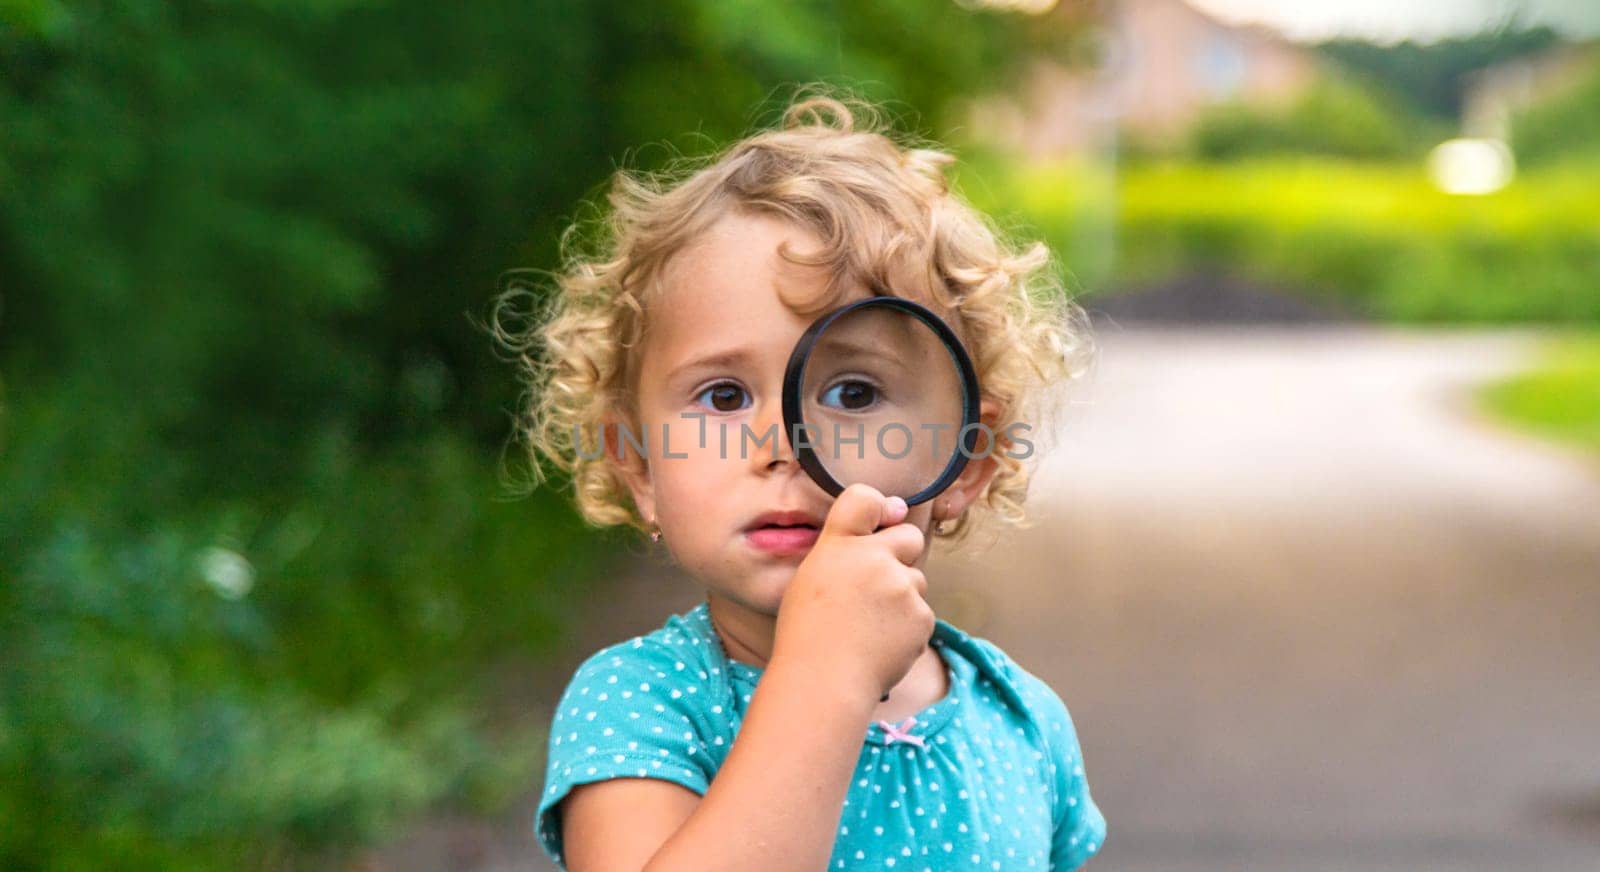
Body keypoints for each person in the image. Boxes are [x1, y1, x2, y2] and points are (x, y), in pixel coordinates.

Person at [495, 86, 1106, 871]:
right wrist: (826, 676)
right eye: (722, 395)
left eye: (853, 394)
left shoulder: (1022, 719)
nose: (781, 446)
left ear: (966, 460)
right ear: (639, 467)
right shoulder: (642, 706)